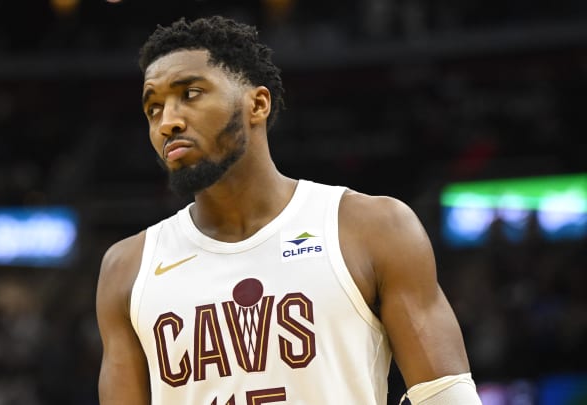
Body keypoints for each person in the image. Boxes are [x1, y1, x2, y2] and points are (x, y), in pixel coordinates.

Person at [96, 15, 482, 405]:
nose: (168, 122)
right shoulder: (126, 268)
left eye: (191, 94)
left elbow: (446, 396)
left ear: (258, 104)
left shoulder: (371, 227)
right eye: (153, 109)